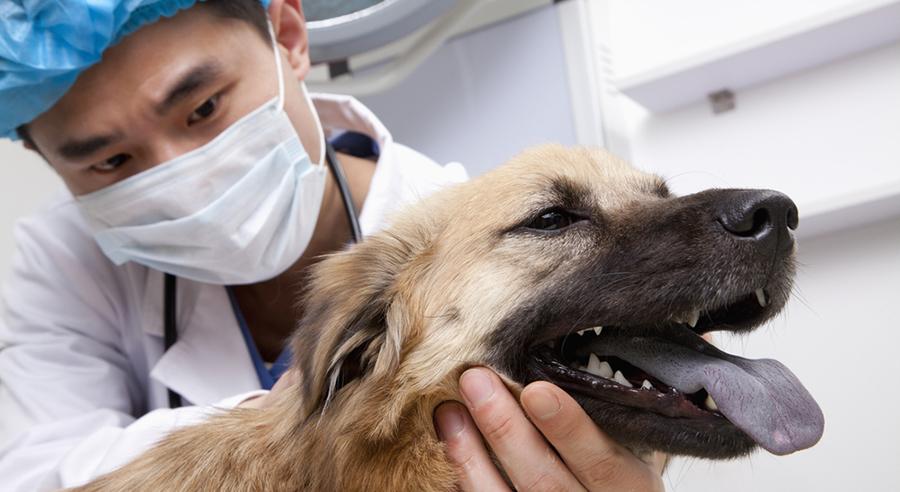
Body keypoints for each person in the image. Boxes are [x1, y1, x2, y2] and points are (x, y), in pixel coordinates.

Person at [0, 1, 666, 490]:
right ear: (51, 164)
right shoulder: (62, 261)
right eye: (111, 161)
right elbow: (39, 474)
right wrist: (300, 424)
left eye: (203, 109)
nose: (177, 178)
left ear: (289, 36)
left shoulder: (477, 245)